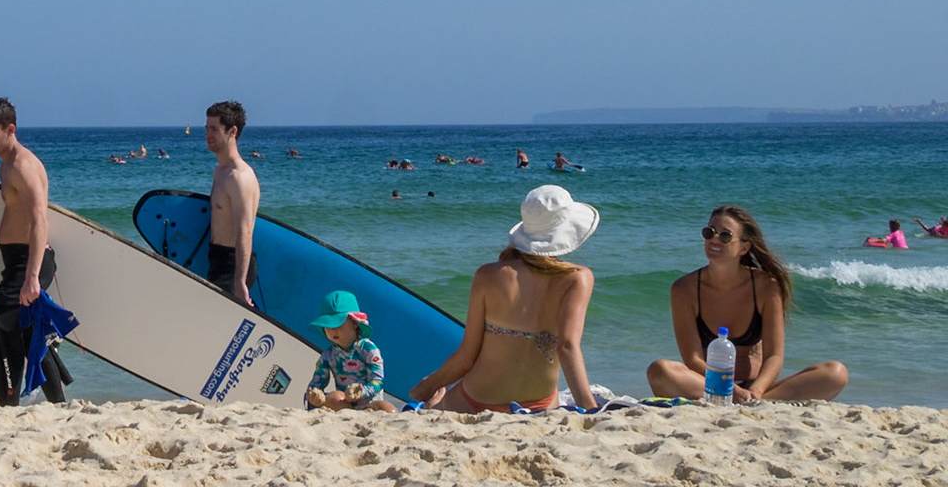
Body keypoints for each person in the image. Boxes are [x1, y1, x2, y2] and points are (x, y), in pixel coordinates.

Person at [407, 185, 600, 413]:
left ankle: (431, 405)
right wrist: (589, 409)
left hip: (480, 398)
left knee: (433, 401)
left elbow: (467, 356)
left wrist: (428, 385)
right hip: (541, 402)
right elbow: (567, 347)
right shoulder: (577, 278)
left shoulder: (488, 274)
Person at [646, 206, 847, 402]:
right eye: (709, 233)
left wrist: (756, 391)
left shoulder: (765, 286)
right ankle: (749, 401)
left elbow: (774, 356)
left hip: (756, 388)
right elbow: (693, 359)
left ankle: (757, 401)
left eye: (725, 235)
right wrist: (731, 390)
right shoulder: (684, 289)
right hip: (708, 385)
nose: (714, 239)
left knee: (835, 373)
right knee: (660, 370)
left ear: (744, 247)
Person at [0, 96, 67, 405]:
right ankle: (58, 405)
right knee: (29, 340)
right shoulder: (7, 166)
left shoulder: (22, 166)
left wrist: (32, 277)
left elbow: (39, 220)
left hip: (29, 262)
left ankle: (9, 404)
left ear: (9, 129)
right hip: (17, 262)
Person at [203, 100, 258, 307]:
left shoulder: (240, 177)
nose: (208, 135)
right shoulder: (220, 172)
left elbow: (245, 232)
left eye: (214, 129)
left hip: (233, 265)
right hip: (215, 258)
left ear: (232, 131)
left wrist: (239, 282)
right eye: (207, 128)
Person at [302, 290, 389, 410]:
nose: (332, 330)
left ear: (355, 323)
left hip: (370, 404)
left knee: (385, 407)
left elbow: (377, 381)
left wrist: (361, 391)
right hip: (345, 406)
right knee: (335, 397)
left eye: (338, 324)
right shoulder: (328, 356)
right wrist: (314, 395)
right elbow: (316, 384)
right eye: (328, 326)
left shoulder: (368, 350)